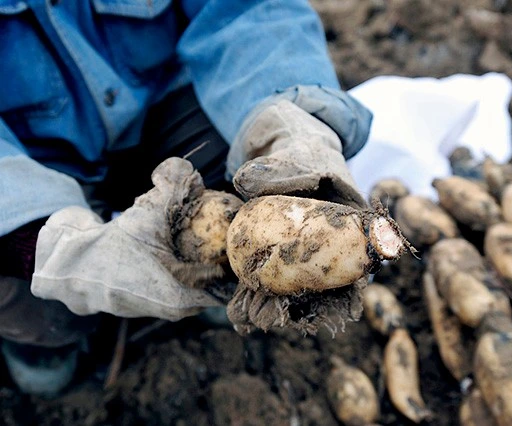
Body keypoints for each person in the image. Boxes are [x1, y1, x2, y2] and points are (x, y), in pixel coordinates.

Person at [0, 0, 372, 396]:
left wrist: (292, 116)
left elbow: (250, 10)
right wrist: (37, 243)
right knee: (40, 297)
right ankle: (46, 338)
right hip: (28, 169)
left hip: (163, 118)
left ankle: (226, 277)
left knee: (248, 169)